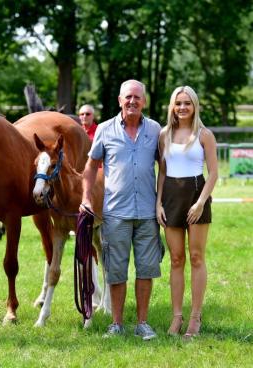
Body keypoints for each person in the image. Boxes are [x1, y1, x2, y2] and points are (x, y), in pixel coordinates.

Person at [80, 79, 163, 340]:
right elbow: (91, 167)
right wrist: (86, 198)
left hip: (148, 213)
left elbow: (164, 168)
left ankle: (142, 323)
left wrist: (160, 201)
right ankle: (116, 324)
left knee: (146, 269)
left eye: (137, 97)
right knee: (116, 271)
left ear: (144, 102)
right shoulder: (104, 130)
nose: (132, 101)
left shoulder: (155, 130)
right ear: (119, 100)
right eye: (128, 97)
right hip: (115, 213)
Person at [156, 86, 218, 339]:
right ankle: (177, 317)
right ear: (172, 106)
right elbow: (162, 171)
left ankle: (195, 318)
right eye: (178, 103)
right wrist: (158, 203)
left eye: (187, 103)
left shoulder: (204, 135)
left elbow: (213, 172)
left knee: (196, 257)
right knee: (177, 260)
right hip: (170, 196)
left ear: (195, 106)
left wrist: (201, 202)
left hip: (196, 195)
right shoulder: (164, 134)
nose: (182, 108)